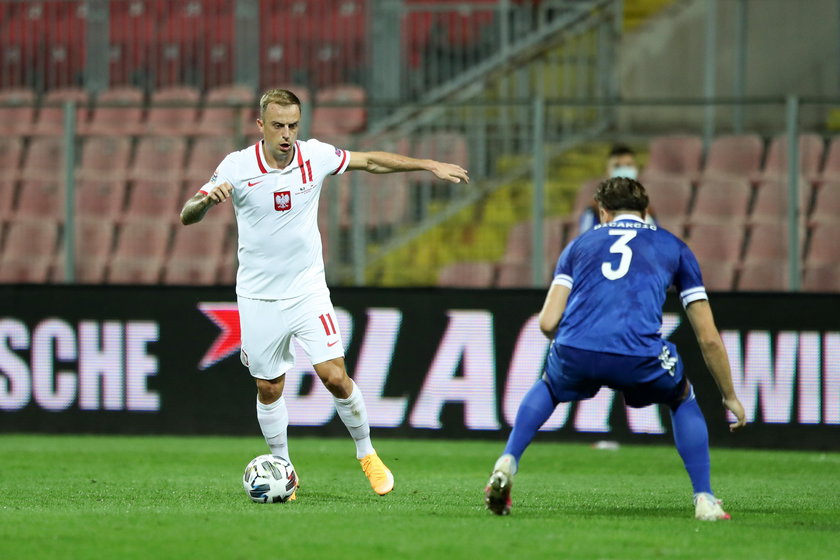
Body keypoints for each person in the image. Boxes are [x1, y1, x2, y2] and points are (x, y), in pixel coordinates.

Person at [180, 88, 469, 498]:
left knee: (334, 376)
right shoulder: (237, 166)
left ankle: (367, 454)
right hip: (258, 296)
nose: (286, 134)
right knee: (269, 388)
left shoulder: (313, 156)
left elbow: (369, 162)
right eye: (278, 125)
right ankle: (284, 467)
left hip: (307, 289)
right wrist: (207, 202)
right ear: (260, 125)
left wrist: (427, 164)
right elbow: (187, 213)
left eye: (293, 125)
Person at [485, 177, 746, 520]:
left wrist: (578, 344)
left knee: (549, 385)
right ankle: (705, 499)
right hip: (638, 354)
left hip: (576, 348)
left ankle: (509, 459)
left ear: (603, 212)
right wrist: (729, 395)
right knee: (682, 396)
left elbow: (547, 323)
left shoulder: (579, 245)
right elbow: (708, 337)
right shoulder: (674, 247)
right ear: (645, 211)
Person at [579, 144, 656, 234]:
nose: (624, 170)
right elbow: (586, 240)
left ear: (636, 169)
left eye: (628, 165)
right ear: (607, 170)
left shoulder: (647, 208)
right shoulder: (594, 208)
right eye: (617, 166)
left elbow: (656, 238)